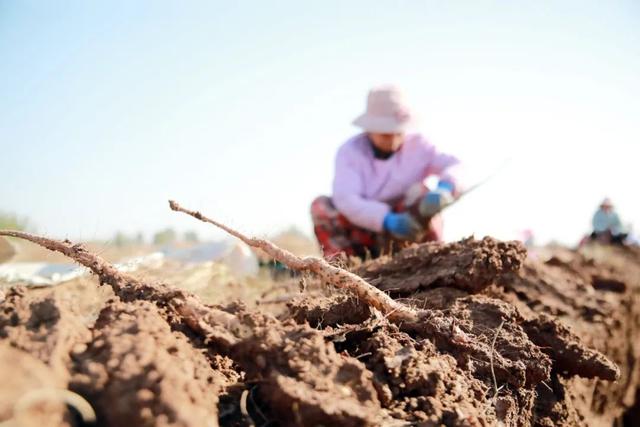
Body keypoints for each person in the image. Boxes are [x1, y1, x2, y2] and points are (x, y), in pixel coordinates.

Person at [311, 85, 462, 259]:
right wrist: (385, 219)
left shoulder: (420, 146)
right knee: (321, 207)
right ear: (370, 129)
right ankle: (343, 270)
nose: (392, 139)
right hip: (362, 232)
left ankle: (434, 258)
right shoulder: (350, 152)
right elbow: (346, 199)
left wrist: (446, 186)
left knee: (422, 193)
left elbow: (455, 164)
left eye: (397, 132)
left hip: (408, 229)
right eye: (385, 133)